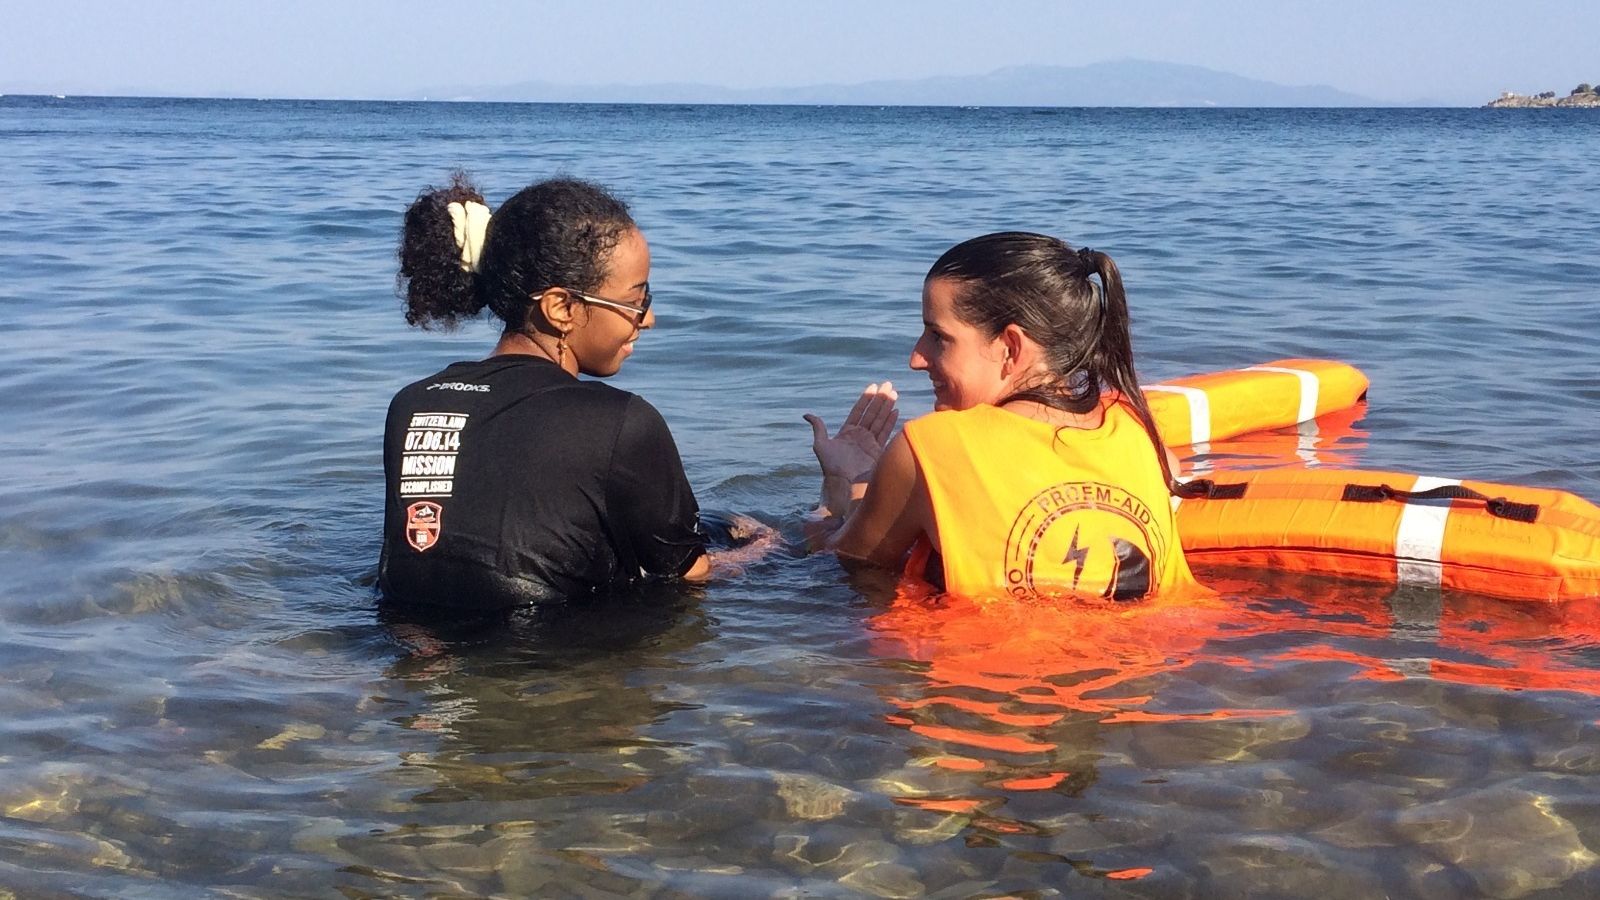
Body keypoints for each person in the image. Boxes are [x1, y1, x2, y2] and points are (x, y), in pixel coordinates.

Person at [380, 174, 762, 613]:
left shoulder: (412, 402)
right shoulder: (622, 422)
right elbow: (690, 577)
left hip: (415, 656)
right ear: (561, 308)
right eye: (637, 299)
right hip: (552, 666)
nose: (649, 318)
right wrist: (768, 548)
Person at [805, 232, 1199, 601]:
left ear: (1010, 347)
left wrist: (843, 487)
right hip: (1154, 667)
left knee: (758, 541)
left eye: (938, 336)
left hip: (988, 671)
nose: (916, 358)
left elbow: (845, 560)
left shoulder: (931, 448)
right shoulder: (1142, 438)